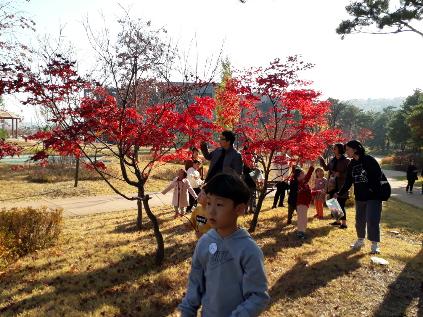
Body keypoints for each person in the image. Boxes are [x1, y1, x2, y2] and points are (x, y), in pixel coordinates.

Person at [179, 173, 270, 317]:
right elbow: (195, 284)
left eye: (219, 204)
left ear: (239, 209)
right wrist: (187, 312)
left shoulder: (249, 250)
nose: (211, 211)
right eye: (209, 203)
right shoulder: (204, 243)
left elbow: (258, 296)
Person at [336, 140, 383, 254]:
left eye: (347, 149)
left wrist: (372, 189)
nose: (346, 151)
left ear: (355, 149)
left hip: (373, 196)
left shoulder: (369, 160)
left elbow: (378, 176)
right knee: (359, 220)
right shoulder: (352, 164)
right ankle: (360, 240)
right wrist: (340, 192)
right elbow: (348, 181)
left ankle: (375, 245)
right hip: (360, 197)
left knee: (372, 220)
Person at [319, 143, 350, 229]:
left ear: (340, 149)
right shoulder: (332, 160)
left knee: (341, 204)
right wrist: (321, 160)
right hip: (332, 184)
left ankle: (344, 224)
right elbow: (326, 168)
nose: (333, 150)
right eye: (333, 148)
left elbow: (349, 174)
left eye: (335, 148)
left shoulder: (346, 161)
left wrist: (340, 174)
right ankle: (337, 222)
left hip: (341, 186)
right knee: (333, 203)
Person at [292, 165, 315, 239]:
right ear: (299, 176)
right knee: (302, 218)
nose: (304, 174)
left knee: (303, 218)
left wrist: (316, 192)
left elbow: (308, 192)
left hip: (304, 203)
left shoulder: (303, 183)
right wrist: (311, 167)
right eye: (303, 173)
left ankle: (302, 231)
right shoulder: (300, 183)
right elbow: (308, 176)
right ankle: (301, 232)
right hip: (301, 203)